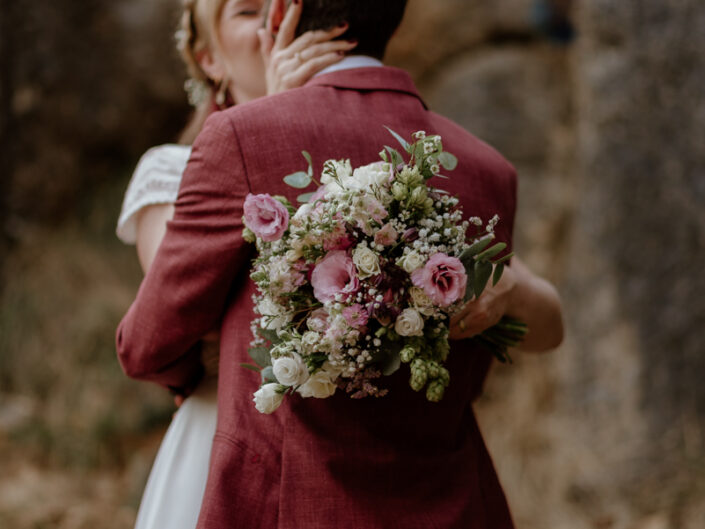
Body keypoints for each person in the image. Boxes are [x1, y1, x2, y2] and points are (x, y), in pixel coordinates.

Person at [117, 0, 564, 527]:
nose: (262, 22)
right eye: (243, 10)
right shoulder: (485, 167)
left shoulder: (243, 138)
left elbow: (147, 345)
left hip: (290, 498)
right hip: (450, 500)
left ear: (286, 11)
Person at [116, 1, 357, 527]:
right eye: (248, 10)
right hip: (227, 436)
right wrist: (274, 121)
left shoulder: (358, 158)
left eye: (285, 4)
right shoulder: (168, 169)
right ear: (210, 59)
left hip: (350, 448)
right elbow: (182, 310)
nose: (275, 22)